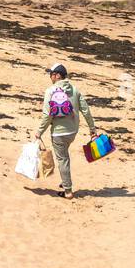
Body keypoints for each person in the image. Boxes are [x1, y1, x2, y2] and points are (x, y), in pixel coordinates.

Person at [35, 63, 98, 199]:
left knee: (62, 159)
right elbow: (86, 110)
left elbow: (47, 115)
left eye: (51, 73)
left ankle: (68, 191)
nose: (50, 76)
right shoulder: (74, 90)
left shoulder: (50, 91)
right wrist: (92, 129)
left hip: (59, 132)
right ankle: (65, 182)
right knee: (64, 157)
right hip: (73, 131)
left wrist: (39, 132)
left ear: (57, 75)